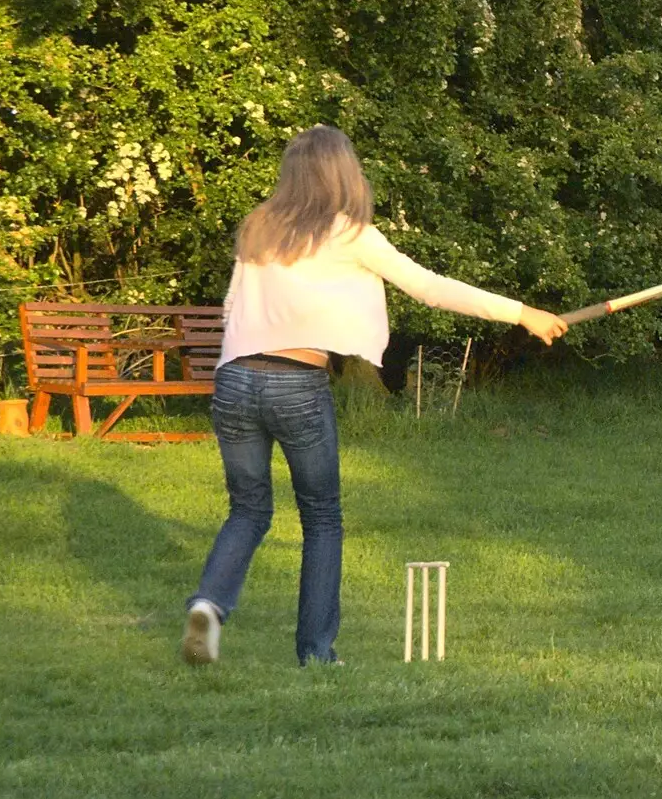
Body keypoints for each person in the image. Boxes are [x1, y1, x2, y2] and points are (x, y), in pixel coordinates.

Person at [182, 124, 568, 666]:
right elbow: (429, 288)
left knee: (248, 509)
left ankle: (209, 603)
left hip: (235, 380)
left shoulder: (259, 227)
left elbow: (230, 309)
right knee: (321, 517)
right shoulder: (349, 234)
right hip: (295, 381)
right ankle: (316, 653)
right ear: (343, 173)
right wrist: (521, 313)